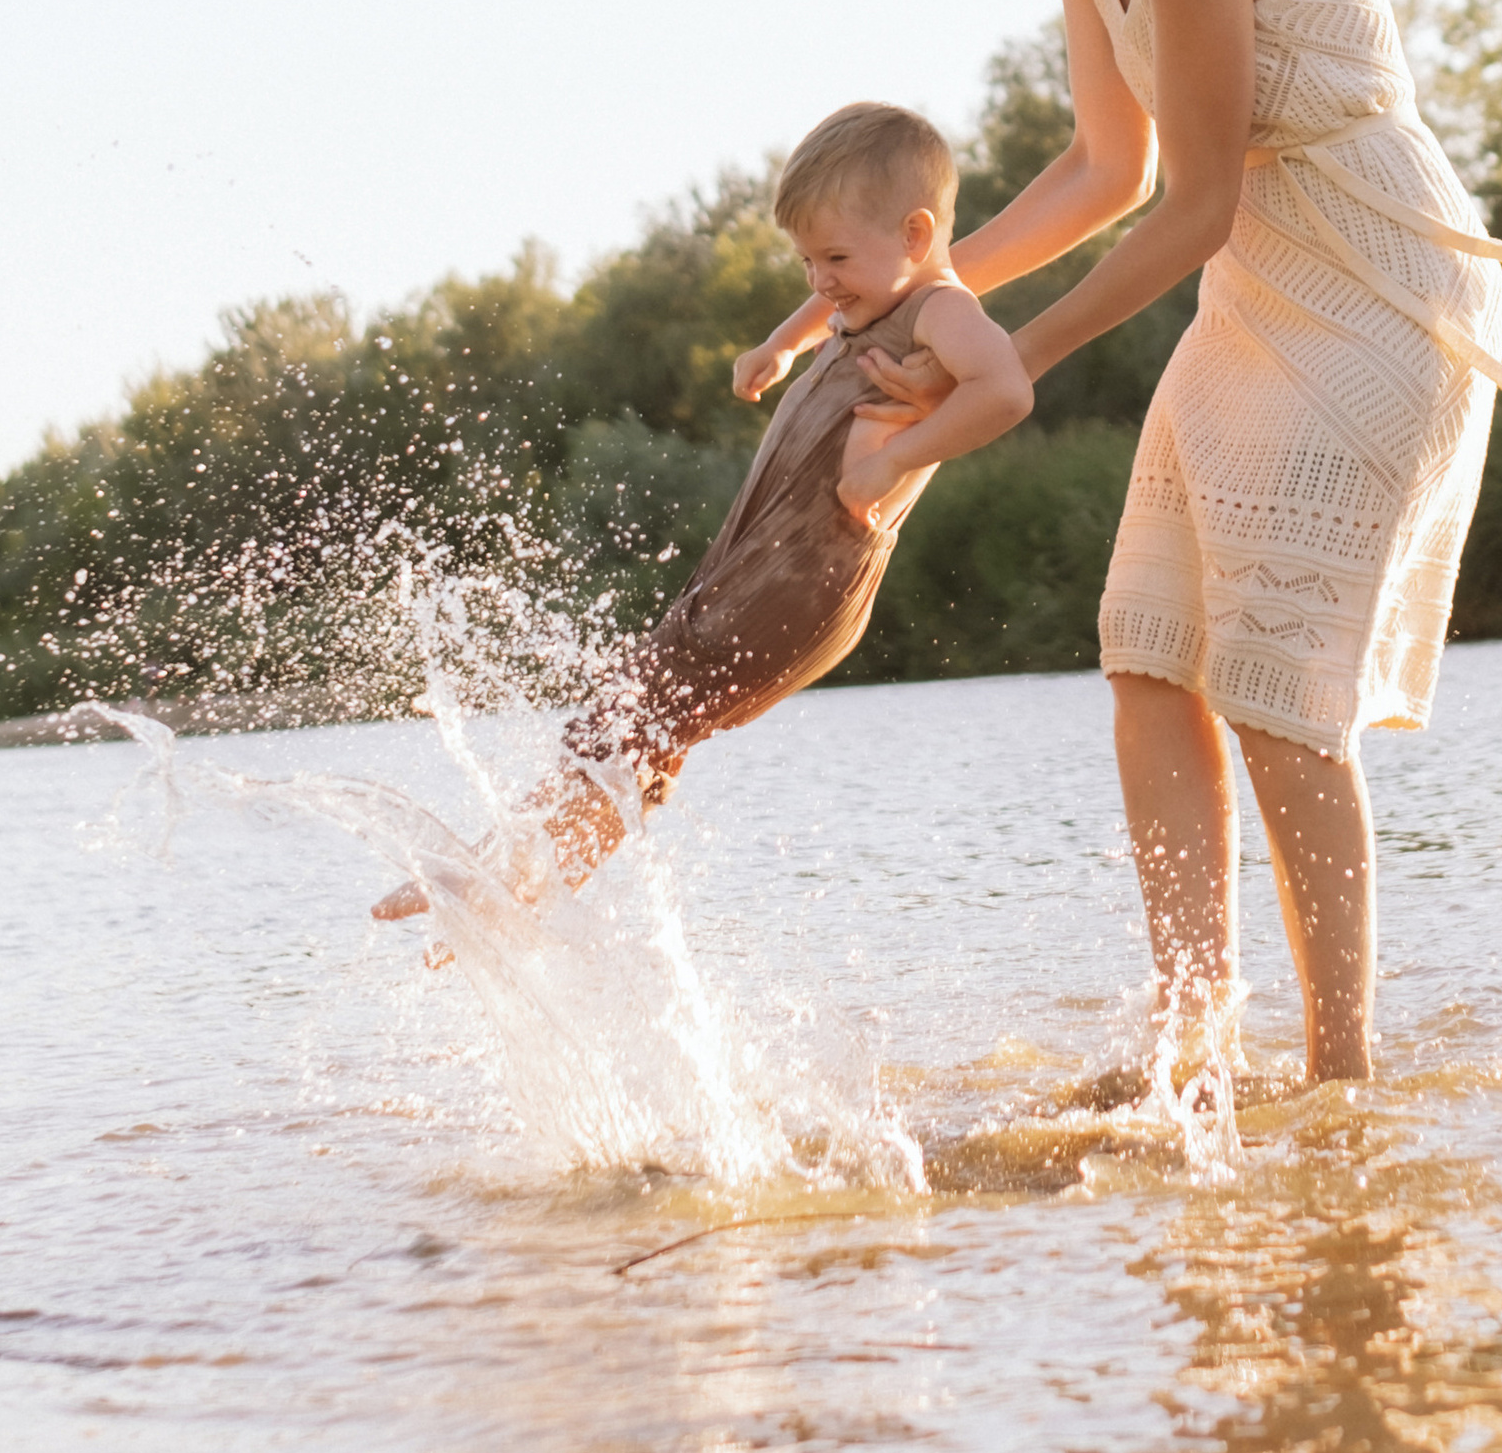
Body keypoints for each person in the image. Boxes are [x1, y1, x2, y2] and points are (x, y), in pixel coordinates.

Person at [739, 0, 1502, 1088]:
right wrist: (898, 306)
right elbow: (1100, 171)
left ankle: (1339, 1075)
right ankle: (1192, 1047)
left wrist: (1000, 358)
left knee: (1273, 685)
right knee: (1149, 659)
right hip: (1257, 291)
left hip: (1379, 284)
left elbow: (1190, 204)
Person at [370, 100, 1029, 922]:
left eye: (833, 257)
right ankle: (521, 894)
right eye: (805, 262)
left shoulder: (941, 309)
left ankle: (494, 871)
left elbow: (1006, 390)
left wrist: (898, 458)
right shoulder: (870, 298)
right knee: (649, 724)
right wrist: (785, 343)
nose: (820, 280)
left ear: (916, 235)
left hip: (811, 577)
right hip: (764, 562)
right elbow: (834, 299)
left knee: (643, 704)